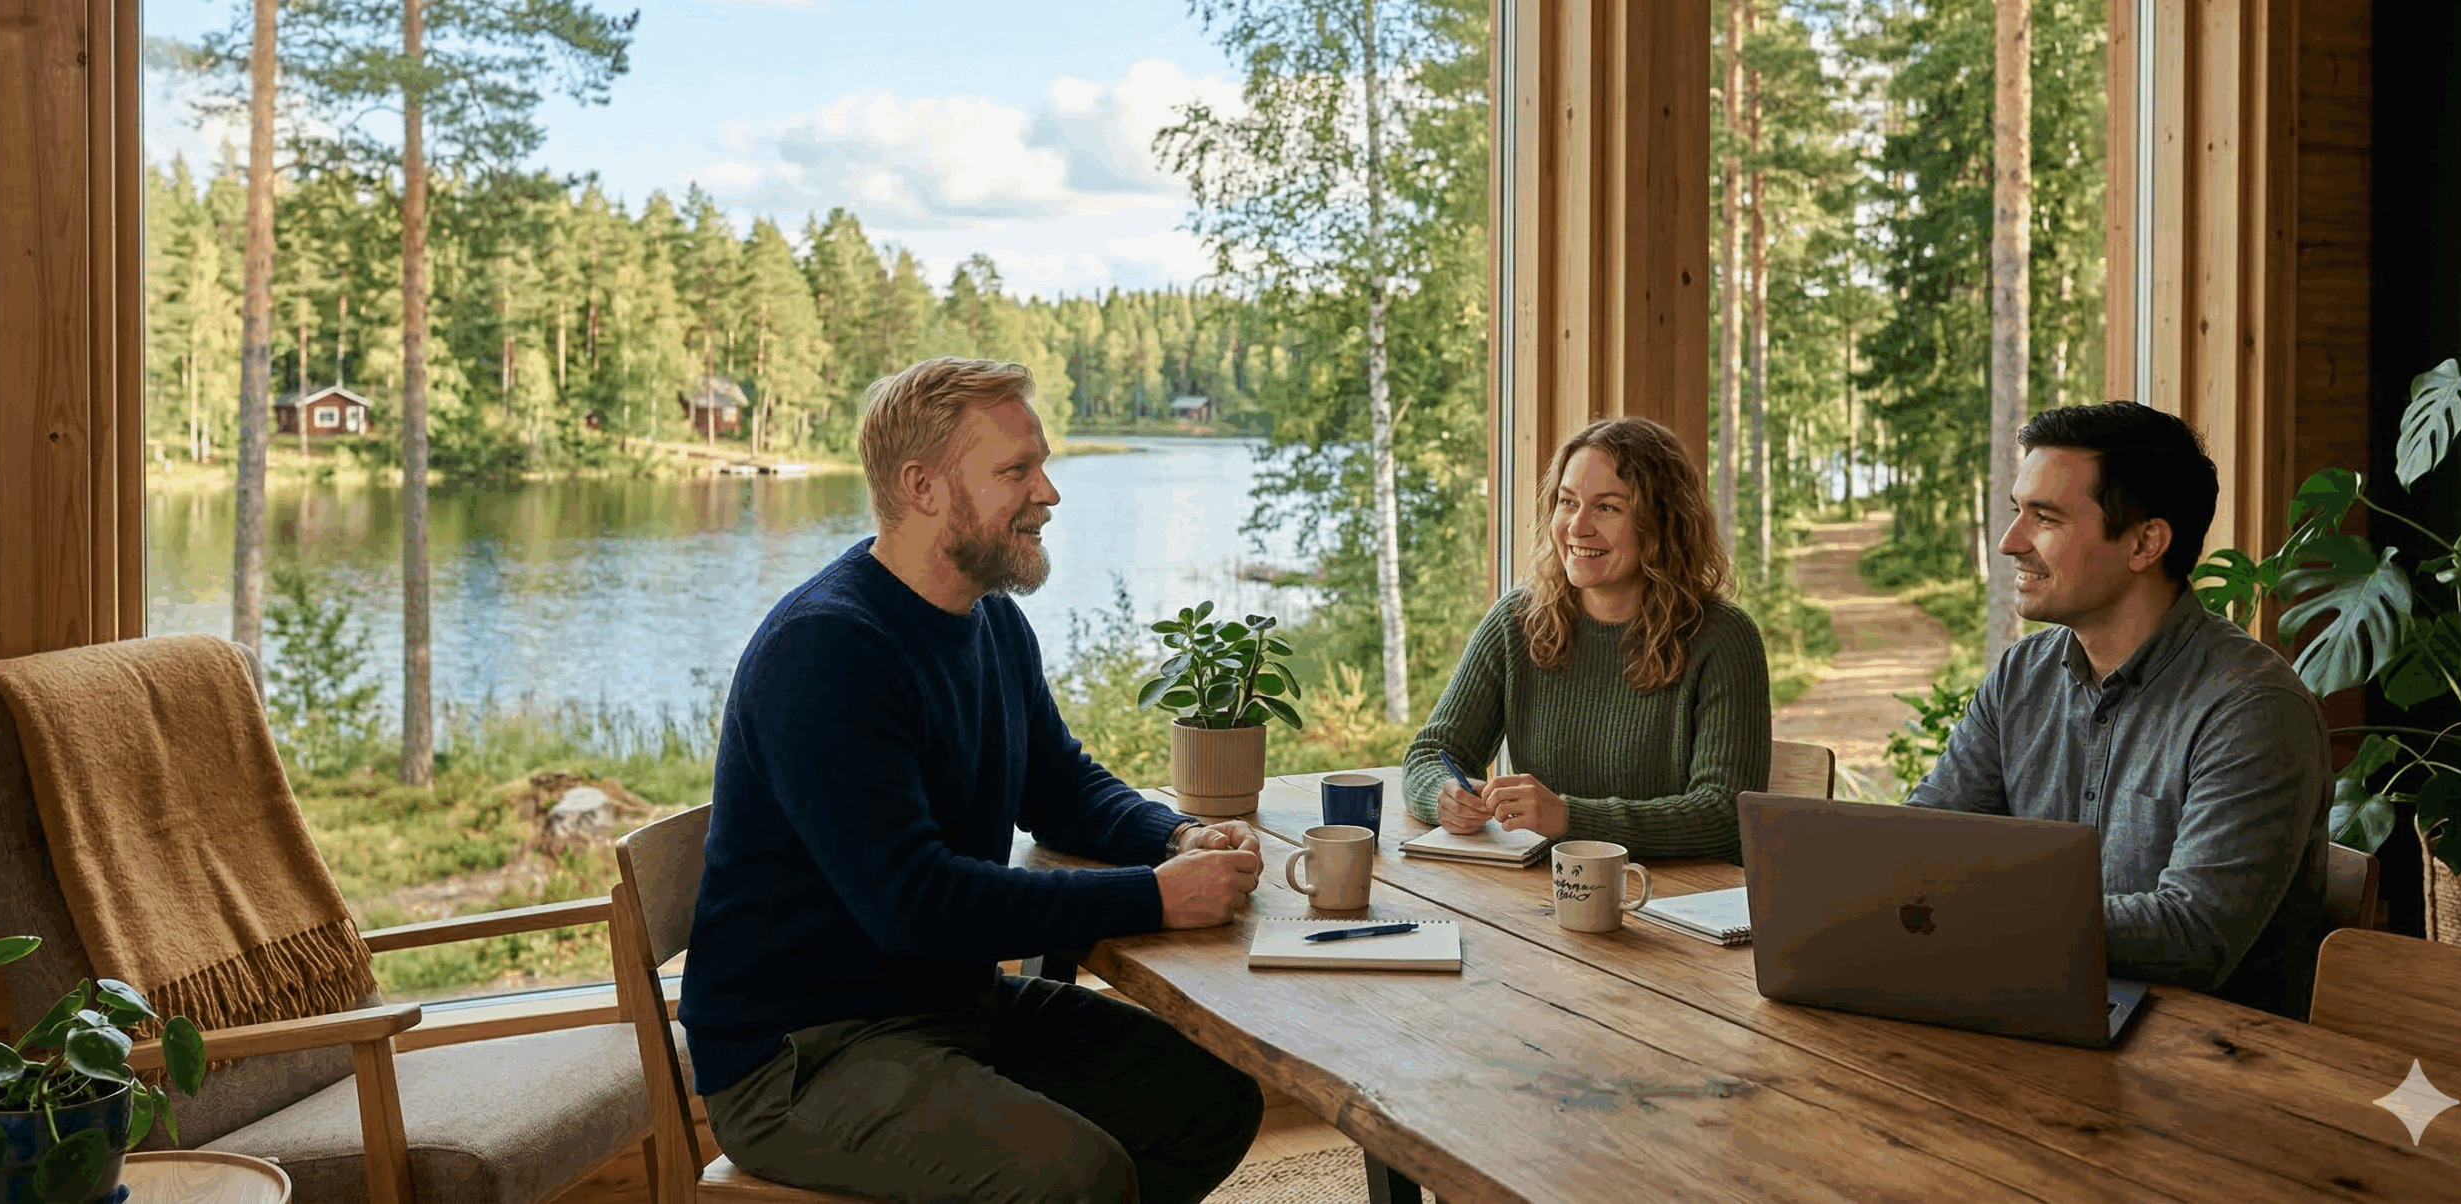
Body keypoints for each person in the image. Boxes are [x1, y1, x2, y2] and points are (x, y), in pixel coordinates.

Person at [679, 356, 1266, 1204]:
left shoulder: (989, 621)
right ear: (923, 487)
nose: (1049, 493)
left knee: (1212, 1100)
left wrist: (1173, 835)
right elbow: (914, 904)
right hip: (802, 1058)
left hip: (950, 1009)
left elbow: (1060, 786)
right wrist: (1157, 896)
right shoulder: (827, 651)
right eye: (1016, 471)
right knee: (1076, 1177)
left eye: (1043, 464)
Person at [1904, 401, 2328, 1019]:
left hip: (2204, 1062)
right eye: (2017, 512)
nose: (2010, 542)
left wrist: (1979, 911)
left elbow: (2193, 933)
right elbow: (1922, 840)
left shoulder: (2254, 710)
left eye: (2045, 518)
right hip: (2033, 1008)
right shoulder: (2022, 675)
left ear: (2145, 543)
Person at [1404, 417, 1771, 861]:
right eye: (1567, 501)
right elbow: (1430, 753)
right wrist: (1442, 795)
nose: (1577, 527)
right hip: (1540, 899)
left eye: (1607, 507)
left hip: (1670, 906)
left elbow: (1725, 816)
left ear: (1662, 522)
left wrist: (1569, 818)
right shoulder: (1517, 620)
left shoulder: (1723, 638)